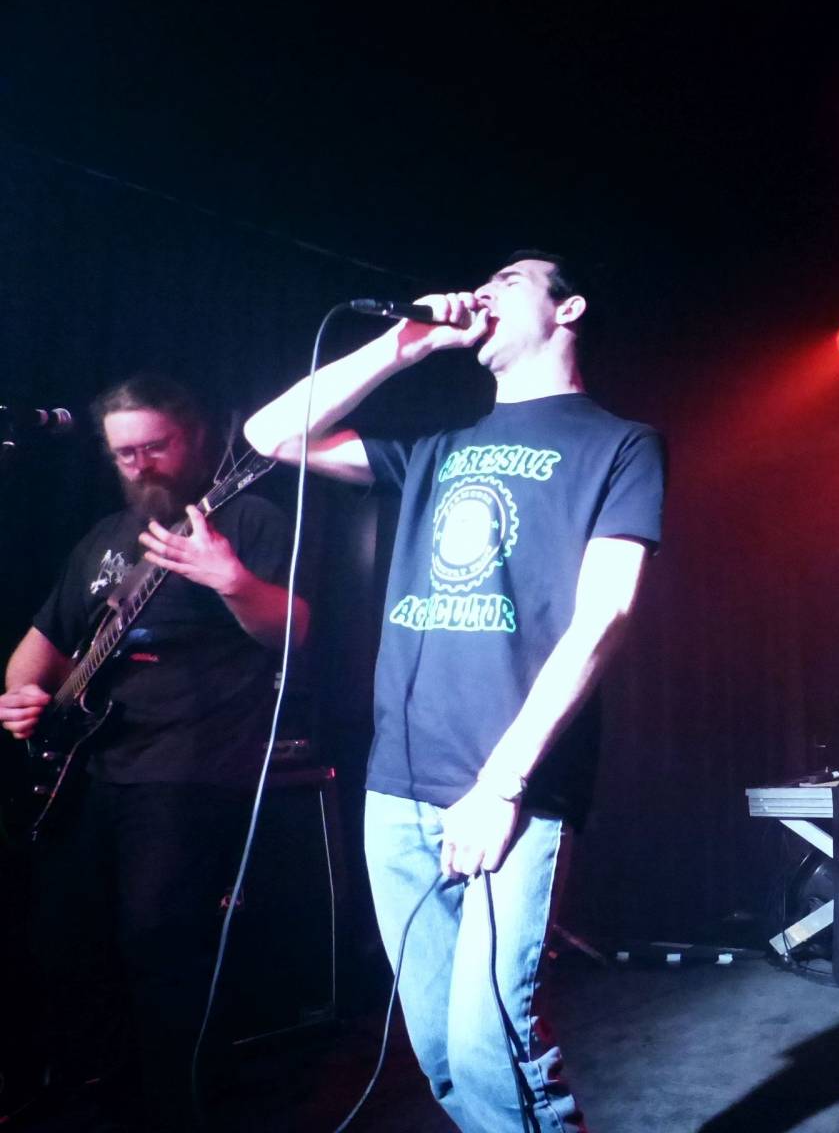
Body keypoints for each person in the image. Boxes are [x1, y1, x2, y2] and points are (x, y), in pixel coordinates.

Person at [243, 251, 665, 1133]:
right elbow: (270, 434)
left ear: (568, 308)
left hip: (512, 785)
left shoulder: (620, 444)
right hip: (397, 785)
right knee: (439, 1051)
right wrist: (406, 346)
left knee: (493, 1047)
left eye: (512, 278)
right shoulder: (436, 449)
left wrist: (503, 782)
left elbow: (608, 615)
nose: (486, 288)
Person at [0, 372, 307, 1130]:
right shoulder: (104, 537)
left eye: (155, 446)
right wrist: (23, 696)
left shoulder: (247, 515)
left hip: (191, 767)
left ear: (194, 438)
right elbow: (40, 645)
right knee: (65, 938)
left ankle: (179, 1107)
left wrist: (231, 580)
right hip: (88, 766)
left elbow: (295, 629)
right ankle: (95, 1094)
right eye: (125, 453)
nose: (141, 465)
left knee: (160, 945)